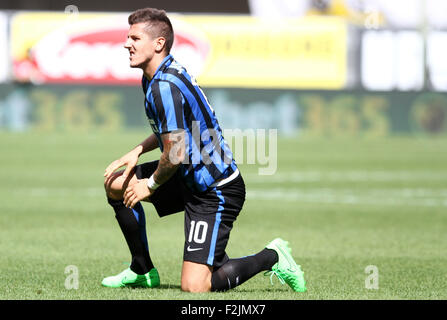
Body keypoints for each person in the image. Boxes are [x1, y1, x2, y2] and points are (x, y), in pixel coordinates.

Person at [102, 7, 306, 293]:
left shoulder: (164, 86)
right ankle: (142, 270)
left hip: (214, 190)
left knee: (195, 287)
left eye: (135, 38)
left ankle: (271, 257)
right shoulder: (157, 75)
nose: (127, 43)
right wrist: (138, 150)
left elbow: (177, 150)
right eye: (128, 37)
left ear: (158, 44)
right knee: (115, 184)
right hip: (185, 175)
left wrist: (150, 184)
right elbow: (175, 130)